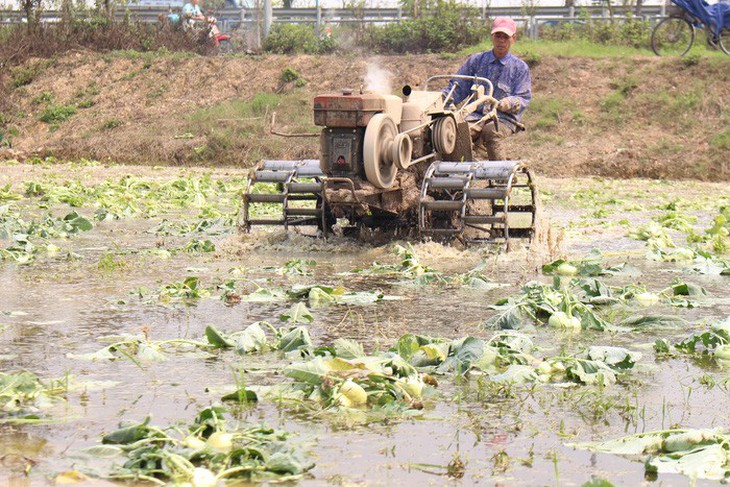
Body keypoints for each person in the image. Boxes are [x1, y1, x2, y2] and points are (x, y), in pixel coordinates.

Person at [444, 17, 532, 161]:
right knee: (455, 131)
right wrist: (443, 99)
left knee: (491, 131)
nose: (501, 40)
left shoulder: (519, 68)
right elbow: (458, 86)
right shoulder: (476, 61)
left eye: (506, 37)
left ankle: (500, 178)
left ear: (513, 38)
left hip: (504, 118)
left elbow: (524, 97)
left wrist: (507, 103)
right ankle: (457, 174)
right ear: (492, 36)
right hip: (476, 115)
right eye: (498, 36)